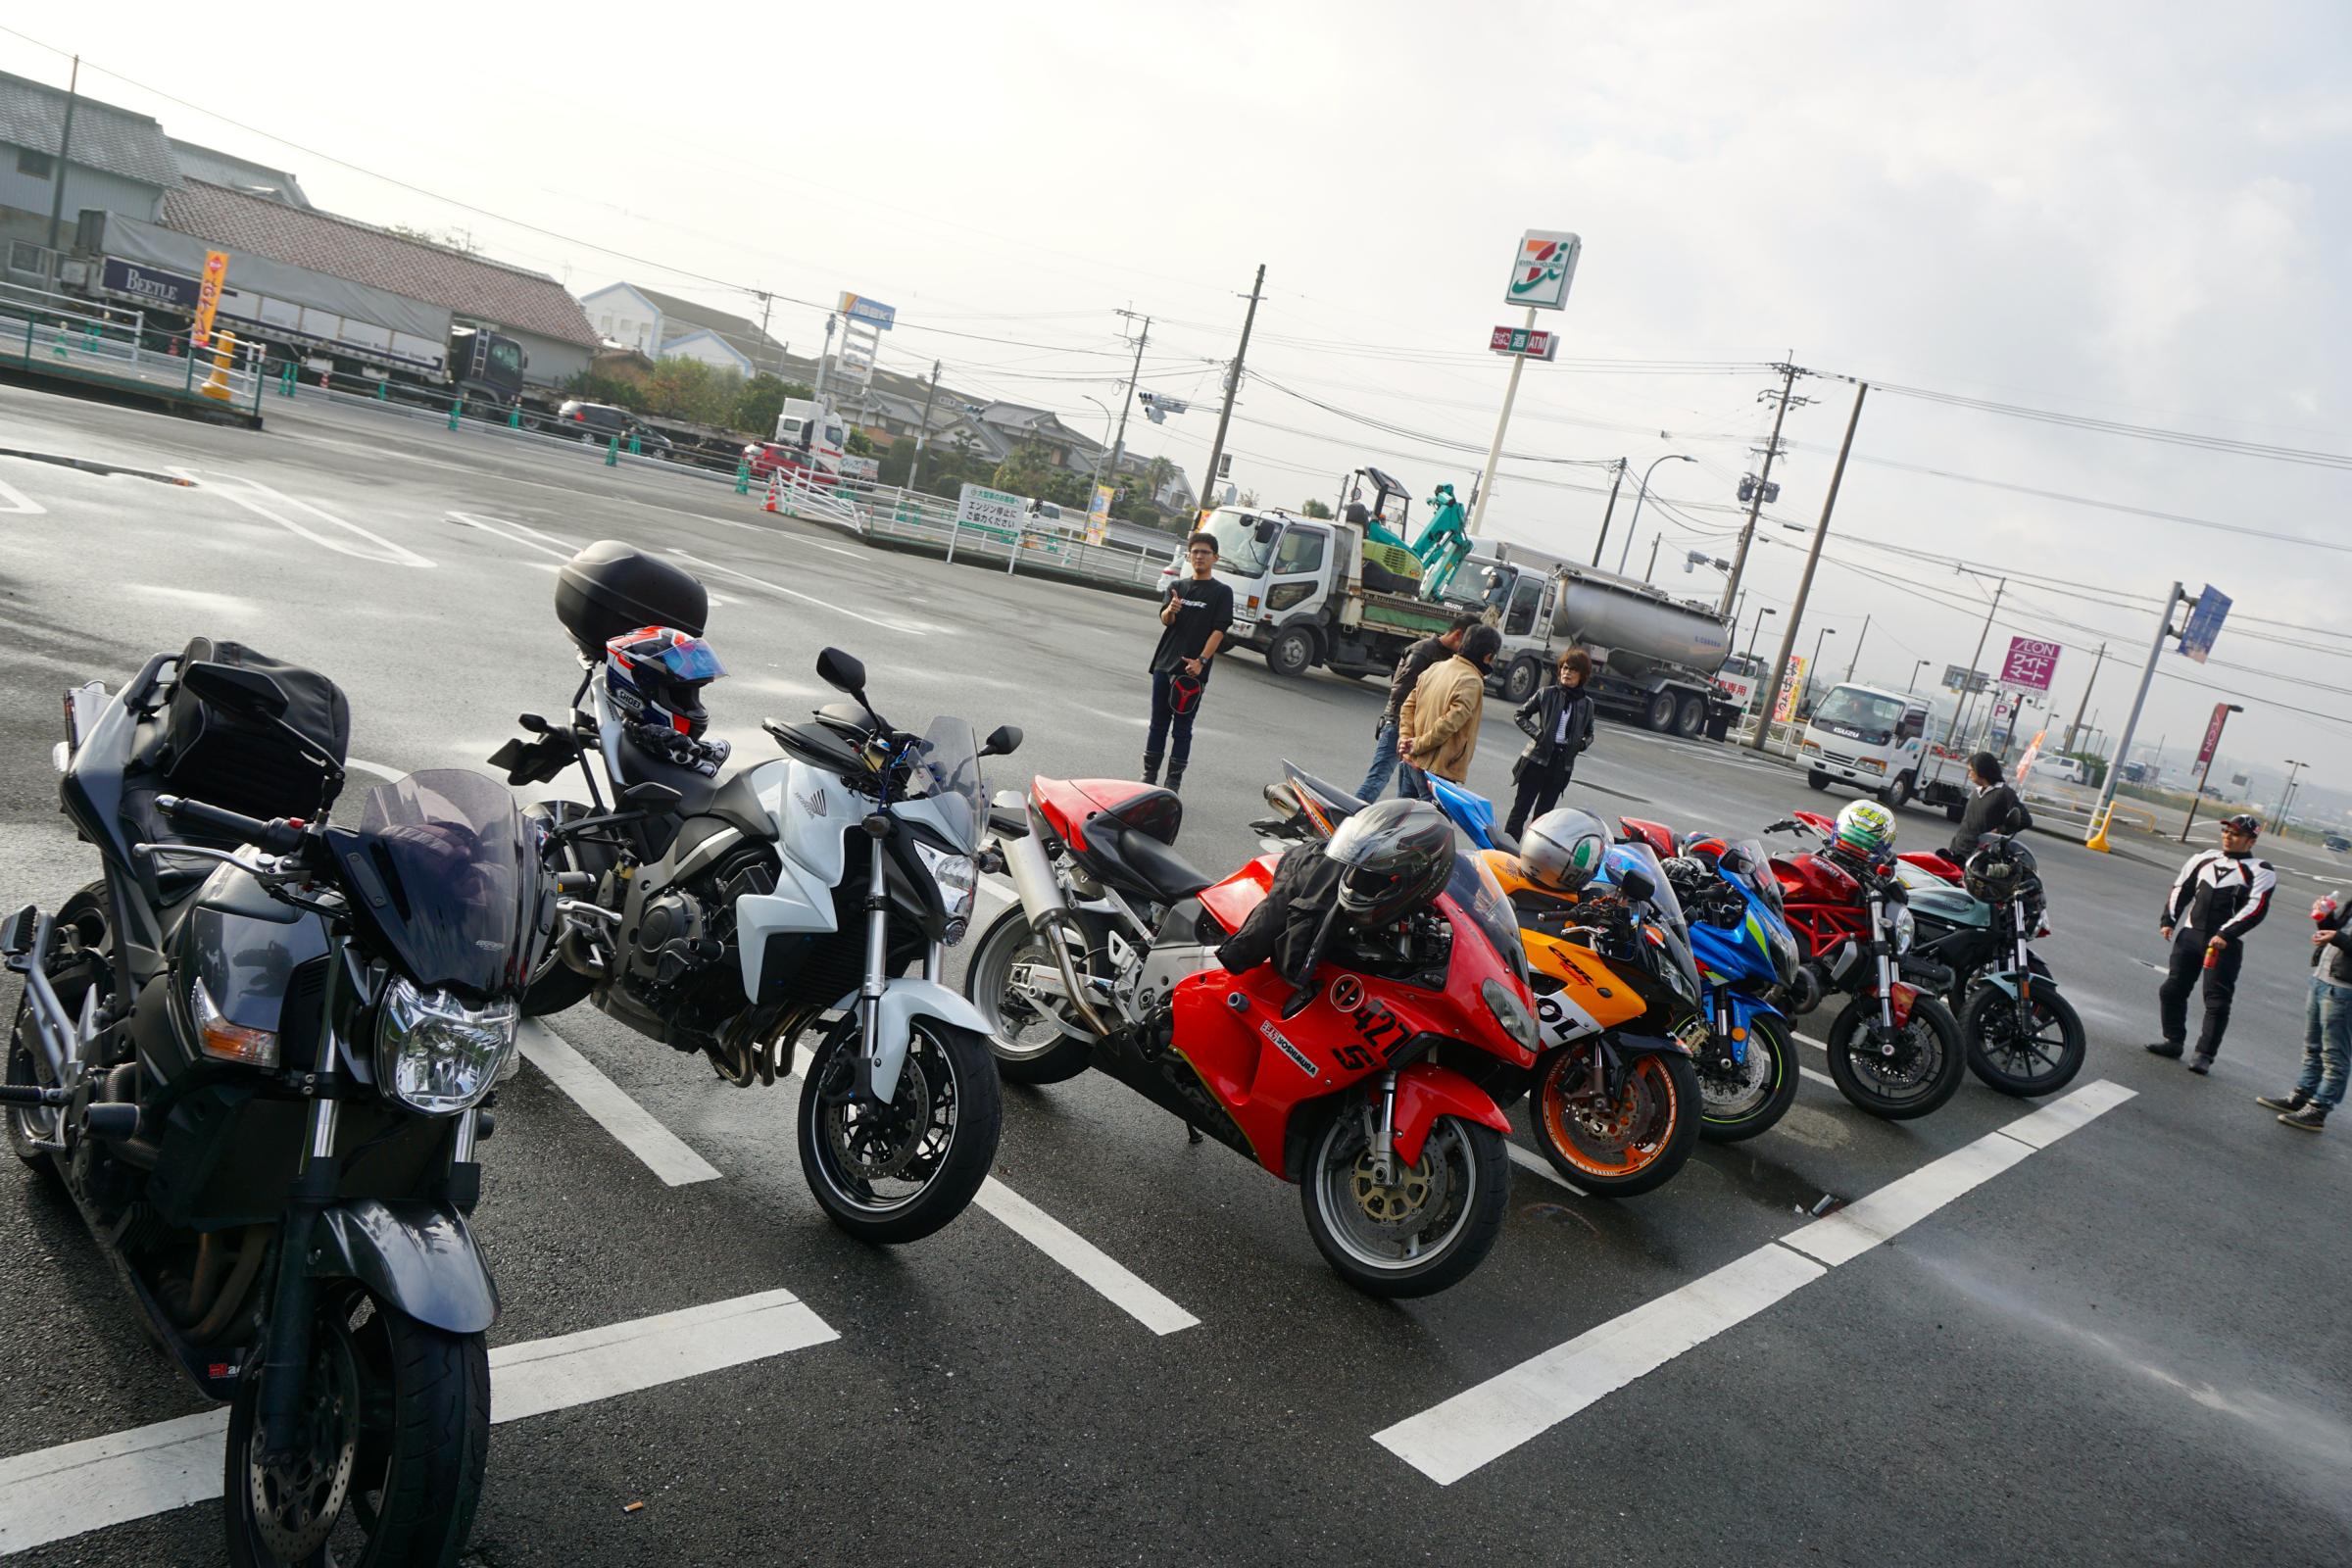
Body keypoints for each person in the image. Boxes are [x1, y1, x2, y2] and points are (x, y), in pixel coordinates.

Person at [2148, 813, 2276, 1074]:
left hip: (2224, 945)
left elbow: (2256, 908)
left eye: (2236, 834)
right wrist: (2169, 919)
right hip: (2190, 935)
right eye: (2226, 832)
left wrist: (2225, 934)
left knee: (2216, 1001)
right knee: (2172, 989)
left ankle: (2204, 1054)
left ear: (2251, 841)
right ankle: (2173, 1041)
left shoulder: (2260, 870)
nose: (2228, 837)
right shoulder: (2203, 858)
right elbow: (2181, 888)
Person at [1144, 531, 1233, 794]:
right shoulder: (1177, 587)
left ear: (1215, 558)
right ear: (1188, 556)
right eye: (1195, 552)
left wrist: (1201, 661)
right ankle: (1148, 777)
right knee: (1157, 723)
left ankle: (1173, 783)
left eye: (1205, 552)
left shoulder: (1221, 592)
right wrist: (1170, 610)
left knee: (1182, 728)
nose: (1199, 556)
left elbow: (1219, 631)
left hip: (1191, 671)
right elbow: (1166, 620)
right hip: (1164, 664)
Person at [1358, 613, 1480, 803]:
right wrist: (1407, 738)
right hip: (1399, 727)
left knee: (1405, 800)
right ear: (1458, 634)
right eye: (1468, 641)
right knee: (1377, 780)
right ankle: (1348, 816)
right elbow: (1401, 697)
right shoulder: (1422, 652)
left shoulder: (1448, 659)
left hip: (1418, 738)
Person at [2257, 891, 2351, 1132]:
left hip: (2344, 989)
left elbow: (2340, 939)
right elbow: (2334, 933)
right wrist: (2325, 918)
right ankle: (2302, 1094)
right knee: (2312, 1046)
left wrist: (2337, 937)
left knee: (2334, 1054)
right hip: (2323, 978)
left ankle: (2319, 1108)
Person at [1504, 649, 1597, 841]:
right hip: (1536, 760)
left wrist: (1581, 744)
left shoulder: (1587, 704)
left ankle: (1532, 853)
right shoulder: (1546, 693)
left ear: (1583, 675)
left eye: (1573, 669)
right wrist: (1538, 734)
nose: (1566, 672)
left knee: (1544, 819)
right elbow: (1520, 715)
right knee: (1520, 811)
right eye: (1564, 668)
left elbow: (1590, 733)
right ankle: (1506, 851)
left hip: (1561, 765)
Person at [1397, 623, 1500, 793]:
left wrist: (1405, 740)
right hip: (1437, 770)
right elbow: (1448, 725)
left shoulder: (1436, 667)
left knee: (1406, 809)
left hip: (1411, 761)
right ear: (1488, 657)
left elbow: (1408, 707)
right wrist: (1416, 745)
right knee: (1431, 811)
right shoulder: (1472, 681)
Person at [1949, 751, 2032, 859]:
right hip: (1957, 850)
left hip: (1979, 856)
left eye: (1971, 771)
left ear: (1981, 770)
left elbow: (2025, 820)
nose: (1968, 774)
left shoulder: (2004, 792)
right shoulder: (1976, 792)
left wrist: (2000, 830)